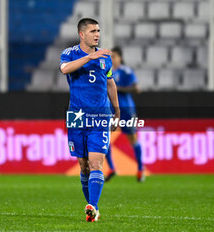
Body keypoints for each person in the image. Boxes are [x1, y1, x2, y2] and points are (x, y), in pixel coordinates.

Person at [59, 18, 120, 222]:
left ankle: (92, 207)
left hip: (100, 115)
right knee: (84, 166)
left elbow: (110, 84)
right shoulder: (69, 54)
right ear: (82, 34)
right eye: (93, 31)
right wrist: (89, 57)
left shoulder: (105, 58)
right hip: (76, 116)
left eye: (99, 30)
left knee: (96, 162)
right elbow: (65, 69)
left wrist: (117, 110)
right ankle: (93, 206)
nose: (97, 34)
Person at [105, 46, 145, 182]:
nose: (112, 59)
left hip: (127, 110)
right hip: (110, 110)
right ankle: (111, 168)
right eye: (110, 56)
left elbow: (136, 88)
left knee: (132, 138)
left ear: (120, 57)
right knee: (104, 138)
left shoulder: (126, 71)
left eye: (114, 56)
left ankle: (140, 169)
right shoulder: (106, 71)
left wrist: (117, 88)